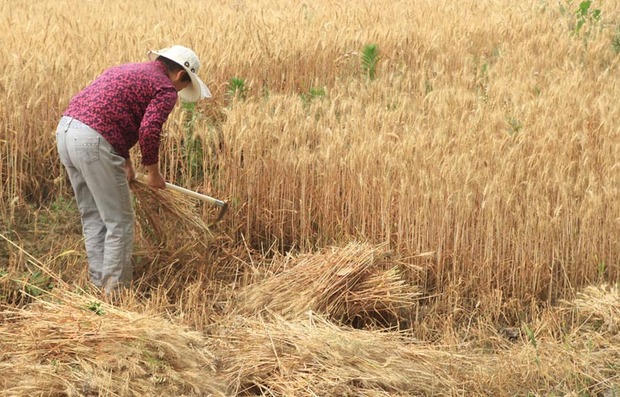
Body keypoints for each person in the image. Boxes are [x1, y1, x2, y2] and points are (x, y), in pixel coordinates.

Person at [55, 45, 211, 292]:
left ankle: (98, 288)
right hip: (94, 142)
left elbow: (111, 113)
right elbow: (148, 130)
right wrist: (154, 173)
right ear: (181, 74)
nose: (180, 92)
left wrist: (125, 160)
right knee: (120, 222)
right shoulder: (165, 88)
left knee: (94, 216)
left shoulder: (130, 69)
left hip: (66, 132)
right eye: (185, 84)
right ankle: (115, 295)